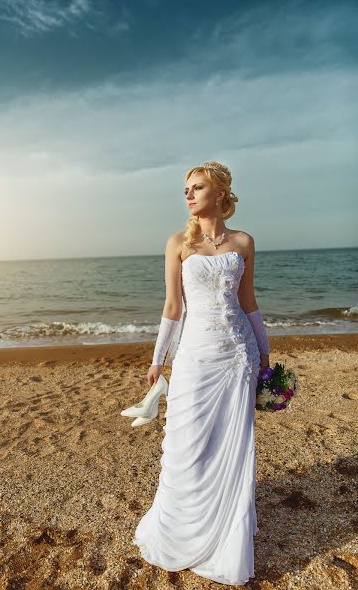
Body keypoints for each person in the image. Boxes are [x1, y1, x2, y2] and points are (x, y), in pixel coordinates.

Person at [132, 161, 270, 586]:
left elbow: (248, 301)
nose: (189, 195)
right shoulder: (177, 243)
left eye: (197, 187)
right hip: (194, 357)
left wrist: (265, 353)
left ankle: (225, 533)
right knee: (186, 443)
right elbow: (173, 308)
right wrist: (159, 360)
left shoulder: (244, 242)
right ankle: (181, 531)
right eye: (186, 189)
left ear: (221, 193)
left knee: (232, 445)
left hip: (237, 357)